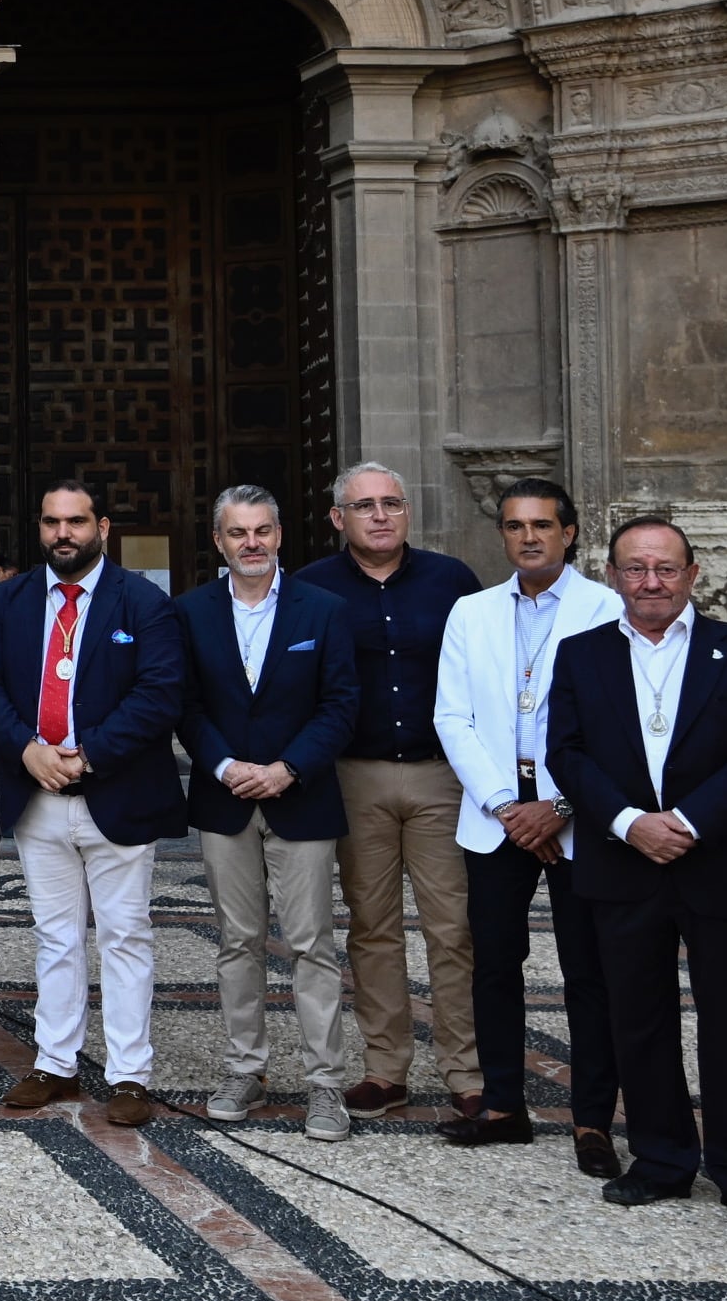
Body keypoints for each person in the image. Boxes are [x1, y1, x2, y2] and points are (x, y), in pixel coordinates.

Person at [550, 518, 727, 1230]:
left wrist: (686, 821)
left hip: (719, 860)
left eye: (664, 568)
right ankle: (661, 1159)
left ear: (692, 573)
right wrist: (629, 823)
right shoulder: (582, 655)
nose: (650, 582)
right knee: (638, 1017)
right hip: (623, 861)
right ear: (612, 575)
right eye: (634, 569)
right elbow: (567, 752)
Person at [0, 472, 187, 1123]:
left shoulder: (141, 602)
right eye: (52, 522)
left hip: (115, 790)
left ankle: (128, 1077)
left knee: (124, 935)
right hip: (37, 793)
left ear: (102, 529)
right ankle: (55, 1065)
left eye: (77, 522)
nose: (63, 534)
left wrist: (88, 753)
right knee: (55, 937)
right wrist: (27, 750)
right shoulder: (8, 603)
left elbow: (159, 694)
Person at [431, 481, 624, 1169]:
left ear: (570, 533)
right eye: (515, 527)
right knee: (493, 965)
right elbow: (451, 717)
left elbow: (614, 728)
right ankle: (504, 1104)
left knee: (588, 971)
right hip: (497, 819)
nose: (529, 537)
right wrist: (504, 804)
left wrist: (560, 806)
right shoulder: (471, 612)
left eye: (542, 525)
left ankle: (592, 1120)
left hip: (577, 818)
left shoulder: (609, 608)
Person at [291, 463, 480, 1116]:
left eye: (391, 504)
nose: (379, 515)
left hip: (441, 774)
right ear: (338, 518)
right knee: (372, 928)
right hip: (354, 776)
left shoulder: (451, 580)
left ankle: (466, 1070)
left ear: (407, 513)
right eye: (364, 505)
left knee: (452, 926)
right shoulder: (311, 588)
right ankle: (386, 1068)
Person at [179, 487, 362, 1138]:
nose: (251, 542)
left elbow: (341, 703)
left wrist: (287, 768)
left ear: (279, 535)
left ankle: (324, 1084)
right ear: (220, 541)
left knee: (312, 943)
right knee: (237, 941)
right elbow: (185, 704)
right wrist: (226, 767)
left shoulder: (325, 610)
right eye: (237, 533)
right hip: (223, 797)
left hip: (302, 795)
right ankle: (244, 1069)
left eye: (261, 530)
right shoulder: (192, 611)